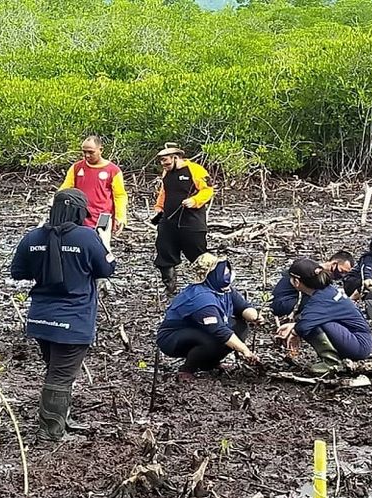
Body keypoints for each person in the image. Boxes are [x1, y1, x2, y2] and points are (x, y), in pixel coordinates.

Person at [10, 189, 116, 441]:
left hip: (40, 319)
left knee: (55, 370)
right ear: (81, 211)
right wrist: (106, 242)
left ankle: (60, 419)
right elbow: (107, 269)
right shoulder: (88, 238)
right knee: (60, 374)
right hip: (73, 320)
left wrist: (43, 256)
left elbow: (17, 272)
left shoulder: (33, 237)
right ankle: (50, 432)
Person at [156, 253, 260, 382]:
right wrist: (245, 351)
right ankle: (187, 369)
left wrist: (255, 317)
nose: (228, 273)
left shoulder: (223, 289)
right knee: (212, 340)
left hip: (202, 329)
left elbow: (243, 307)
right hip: (173, 337)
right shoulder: (202, 299)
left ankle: (209, 363)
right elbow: (219, 331)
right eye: (224, 271)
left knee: (241, 327)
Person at [275, 259, 372, 374]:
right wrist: (294, 327)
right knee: (309, 320)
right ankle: (335, 359)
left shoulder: (320, 300)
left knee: (312, 324)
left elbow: (304, 326)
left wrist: (294, 333)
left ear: (296, 282)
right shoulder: (327, 291)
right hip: (358, 339)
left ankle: (332, 363)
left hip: (359, 345)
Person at [151, 143, 214, 294]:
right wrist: (159, 209)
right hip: (168, 221)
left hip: (191, 222)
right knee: (164, 252)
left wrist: (195, 200)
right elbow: (164, 192)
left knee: (199, 256)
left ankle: (210, 285)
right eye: (161, 161)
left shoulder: (195, 170)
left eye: (165, 160)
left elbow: (208, 190)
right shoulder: (166, 173)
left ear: (176, 158)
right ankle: (170, 287)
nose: (163, 164)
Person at [59, 135, 128, 233]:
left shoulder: (113, 170)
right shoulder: (76, 167)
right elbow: (66, 188)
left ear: (101, 150)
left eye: (91, 152)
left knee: (101, 245)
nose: (87, 155)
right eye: (84, 152)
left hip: (103, 217)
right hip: (79, 216)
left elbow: (120, 196)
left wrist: (120, 218)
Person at [270, 250, 355, 318]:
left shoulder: (316, 271)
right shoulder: (310, 271)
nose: (342, 275)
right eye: (342, 271)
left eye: (345, 273)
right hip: (283, 303)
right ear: (334, 264)